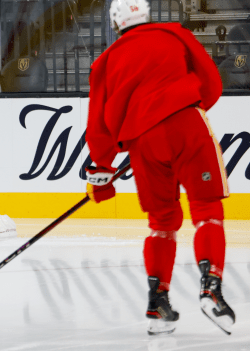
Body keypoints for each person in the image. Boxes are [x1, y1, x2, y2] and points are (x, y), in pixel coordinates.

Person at [84, 0, 235, 336]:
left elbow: (97, 125)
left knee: (162, 222)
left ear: (116, 23)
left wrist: (103, 169)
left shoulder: (104, 62)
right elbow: (212, 81)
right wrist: (184, 108)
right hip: (186, 124)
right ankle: (211, 287)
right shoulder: (176, 35)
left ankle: (158, 304)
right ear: (147, 14)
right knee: (206, 209)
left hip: (142, 140)